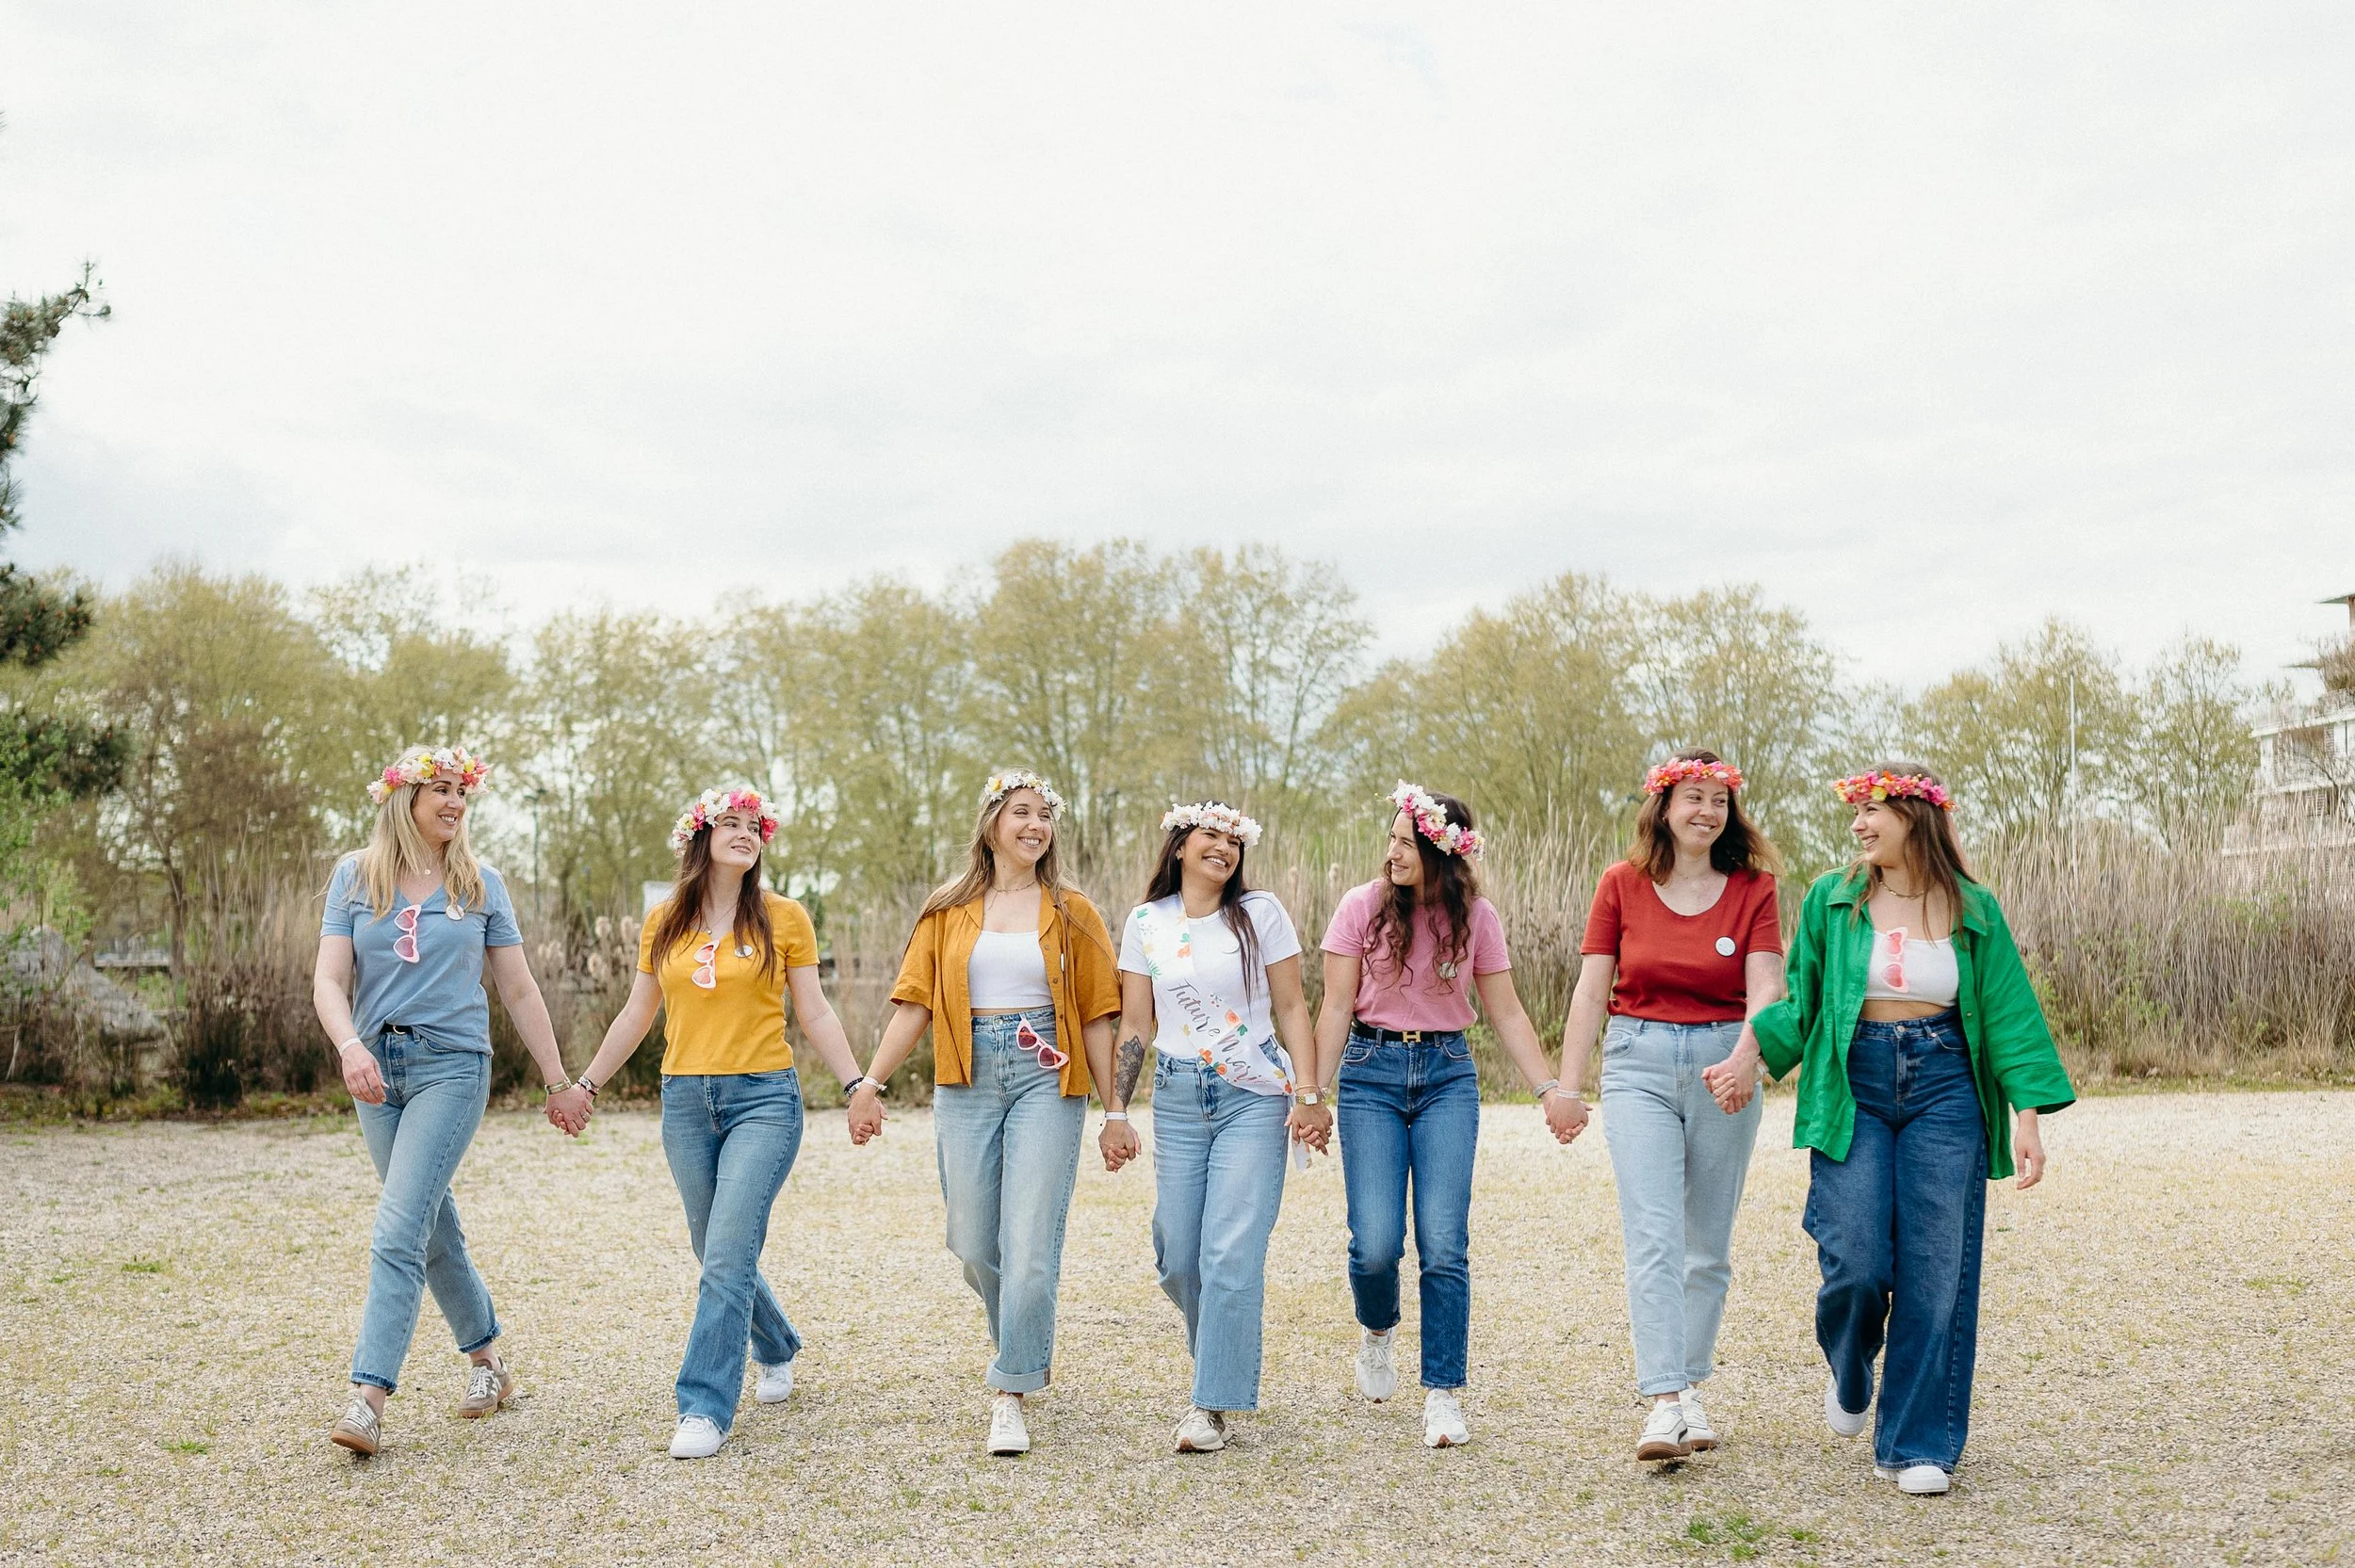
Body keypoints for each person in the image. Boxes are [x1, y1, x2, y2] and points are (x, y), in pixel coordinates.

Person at [1708, 763, 2074, 1495]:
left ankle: (1915, 1443)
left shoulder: (1972, 907)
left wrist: (2027, 1115)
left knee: (1938, 1269)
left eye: (1873, 809)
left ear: (1917, 815)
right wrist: (1747, 1057)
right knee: (1856, 1259)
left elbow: (2007, 1016)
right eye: (1858, 811)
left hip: (1947, 1088)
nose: (1859, 823)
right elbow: (1800, 1000)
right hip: (1855, 1080)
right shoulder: (1833, 899)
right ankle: (1851, 1365)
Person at [573, 786, 870, 1460]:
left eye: (752, 824)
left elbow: (815, 1012)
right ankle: (775, 1343)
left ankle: (703, 1406)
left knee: (727, 1252)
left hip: (764, 1099)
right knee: (714, 1250)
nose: (744, 832)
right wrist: (587, 1082)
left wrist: (856, 1082)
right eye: (728, 822)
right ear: (700, 838)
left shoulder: (786, 917)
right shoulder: (665, 920)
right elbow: (635, 1013)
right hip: (684, 1100)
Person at [314, 746, 584, 1459]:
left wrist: (558, 1081)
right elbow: (327, 981)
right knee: (432, 1231)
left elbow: (519, 990)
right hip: (376, 1069)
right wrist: (350, 1047)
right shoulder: (354, 876)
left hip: (453, 1068)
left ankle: (367, 1399)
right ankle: (489, 1364)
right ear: (402, 797)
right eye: (441, 788)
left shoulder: (480, 881)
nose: (455, 801)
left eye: (462, 790)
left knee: (398, 1228)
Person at [852, 770, 1123, 1456]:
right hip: (966, 1070)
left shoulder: (1073, 910)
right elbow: (914, 1003)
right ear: (992, 821)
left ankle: (1011, 1388)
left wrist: (1115, 1106)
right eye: (1021, 811)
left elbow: (1098, 1016)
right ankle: (1023, 1340)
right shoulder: (946, 908)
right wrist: (870, 1083)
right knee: (973, 1241)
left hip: (1048, 1074)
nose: (1035, 824)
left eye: (1045, 815)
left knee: (1030, 1240)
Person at [1313, 782, 1581, 1448]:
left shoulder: (1477, 916)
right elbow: (1335, 1007)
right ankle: (1377, 1330)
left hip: (1447, 1077)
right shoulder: (1360, 907)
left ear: (1439, 852)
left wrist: (1549, 1087)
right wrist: (1311, 1095)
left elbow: (1509, 1011)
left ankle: (1442, 1391)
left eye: (1405, 842)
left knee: (1443, 1241)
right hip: (1370, 1074)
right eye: (1393, 839)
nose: (1391, 852)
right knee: (1374, 1244)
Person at [1556, 750, 1785, 1462]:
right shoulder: (1620, 885)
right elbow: (1593, 991)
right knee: (1653, 1233)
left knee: (1706, 1244)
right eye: (1693, 796)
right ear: (1663, 805)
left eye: (1719, 799)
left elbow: (1767, 991)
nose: (1706, 811)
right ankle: (1662, 1402)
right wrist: (1567, 1086)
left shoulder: (1755, 889)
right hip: (1638, 1063)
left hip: (1725, 1060)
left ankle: (1689, 1385)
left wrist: (1748, 1060)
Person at [1109, 800, 1325, 1453]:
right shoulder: (1146, 922)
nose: (1224, 847)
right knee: (1178, 1255)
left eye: (1234, 840)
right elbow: (1136, 1024)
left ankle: (1209, 1402)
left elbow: (1291, 1004)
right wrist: (1116, 1109)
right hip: (1177, 1093)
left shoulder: (1259, 915)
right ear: (1179, 844)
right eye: (1211, 834)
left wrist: (1310, 1092)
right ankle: (1223, 1355)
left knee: (1231, 1250)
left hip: (1252, 1093)